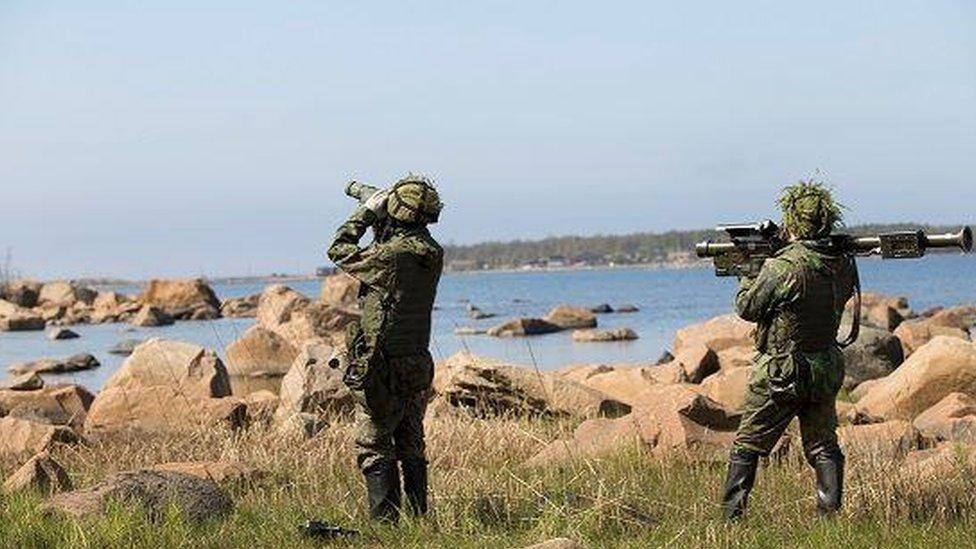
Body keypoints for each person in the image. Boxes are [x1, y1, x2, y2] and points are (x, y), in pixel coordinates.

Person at [720, 182, 857, 520]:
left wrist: (752, 266)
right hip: (824, 367)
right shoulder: (842, 263)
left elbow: (747, 306)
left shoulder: (783, 266)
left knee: (748, 444)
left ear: (793, 221)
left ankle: (730, 521)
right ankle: (829, 520)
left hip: (782, 372)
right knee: (823, 444)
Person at [327, 174, 444, 523]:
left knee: (373, 444)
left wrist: (365, 212)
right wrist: (386, 217)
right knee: (410, 441)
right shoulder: (432, 252)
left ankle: (387, 527)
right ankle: (420, 519)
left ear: (397, 211)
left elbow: (339, 250)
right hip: (416, 362)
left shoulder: (391, 256)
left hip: (383, 365)